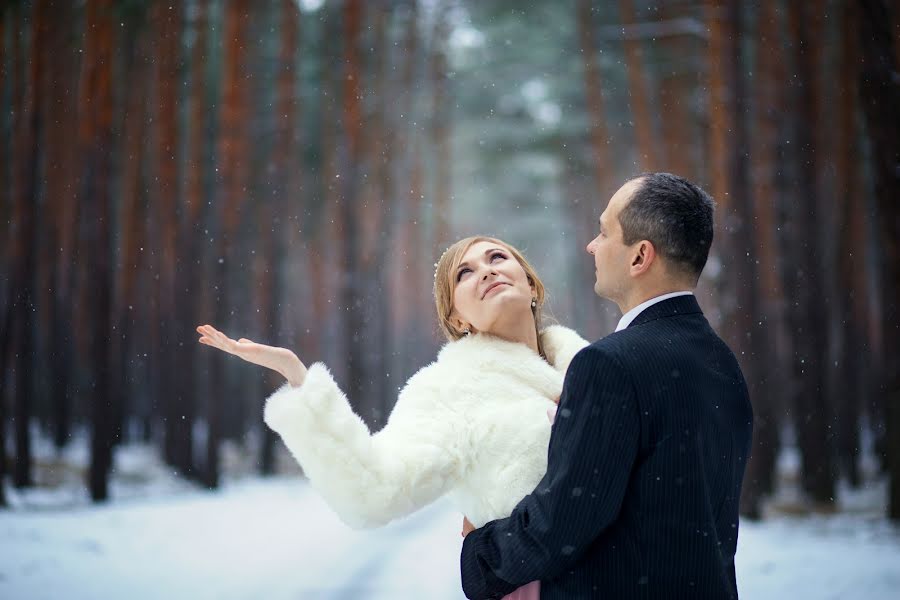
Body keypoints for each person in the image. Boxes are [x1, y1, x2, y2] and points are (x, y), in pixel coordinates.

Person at [197, 235, 588, 600]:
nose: (486, 271)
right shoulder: (448, 390)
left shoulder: (593, 369)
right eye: (464, 273)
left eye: (497, 257)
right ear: (457, 319)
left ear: (532, 286)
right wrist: (300, 381)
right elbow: (373, 490)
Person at [459, 172, 754, 600]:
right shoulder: (722, 363)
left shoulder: (608, 365)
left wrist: (480, 553)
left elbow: (562, 522)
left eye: (603, 232)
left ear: (640, 257)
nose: (591, 245)